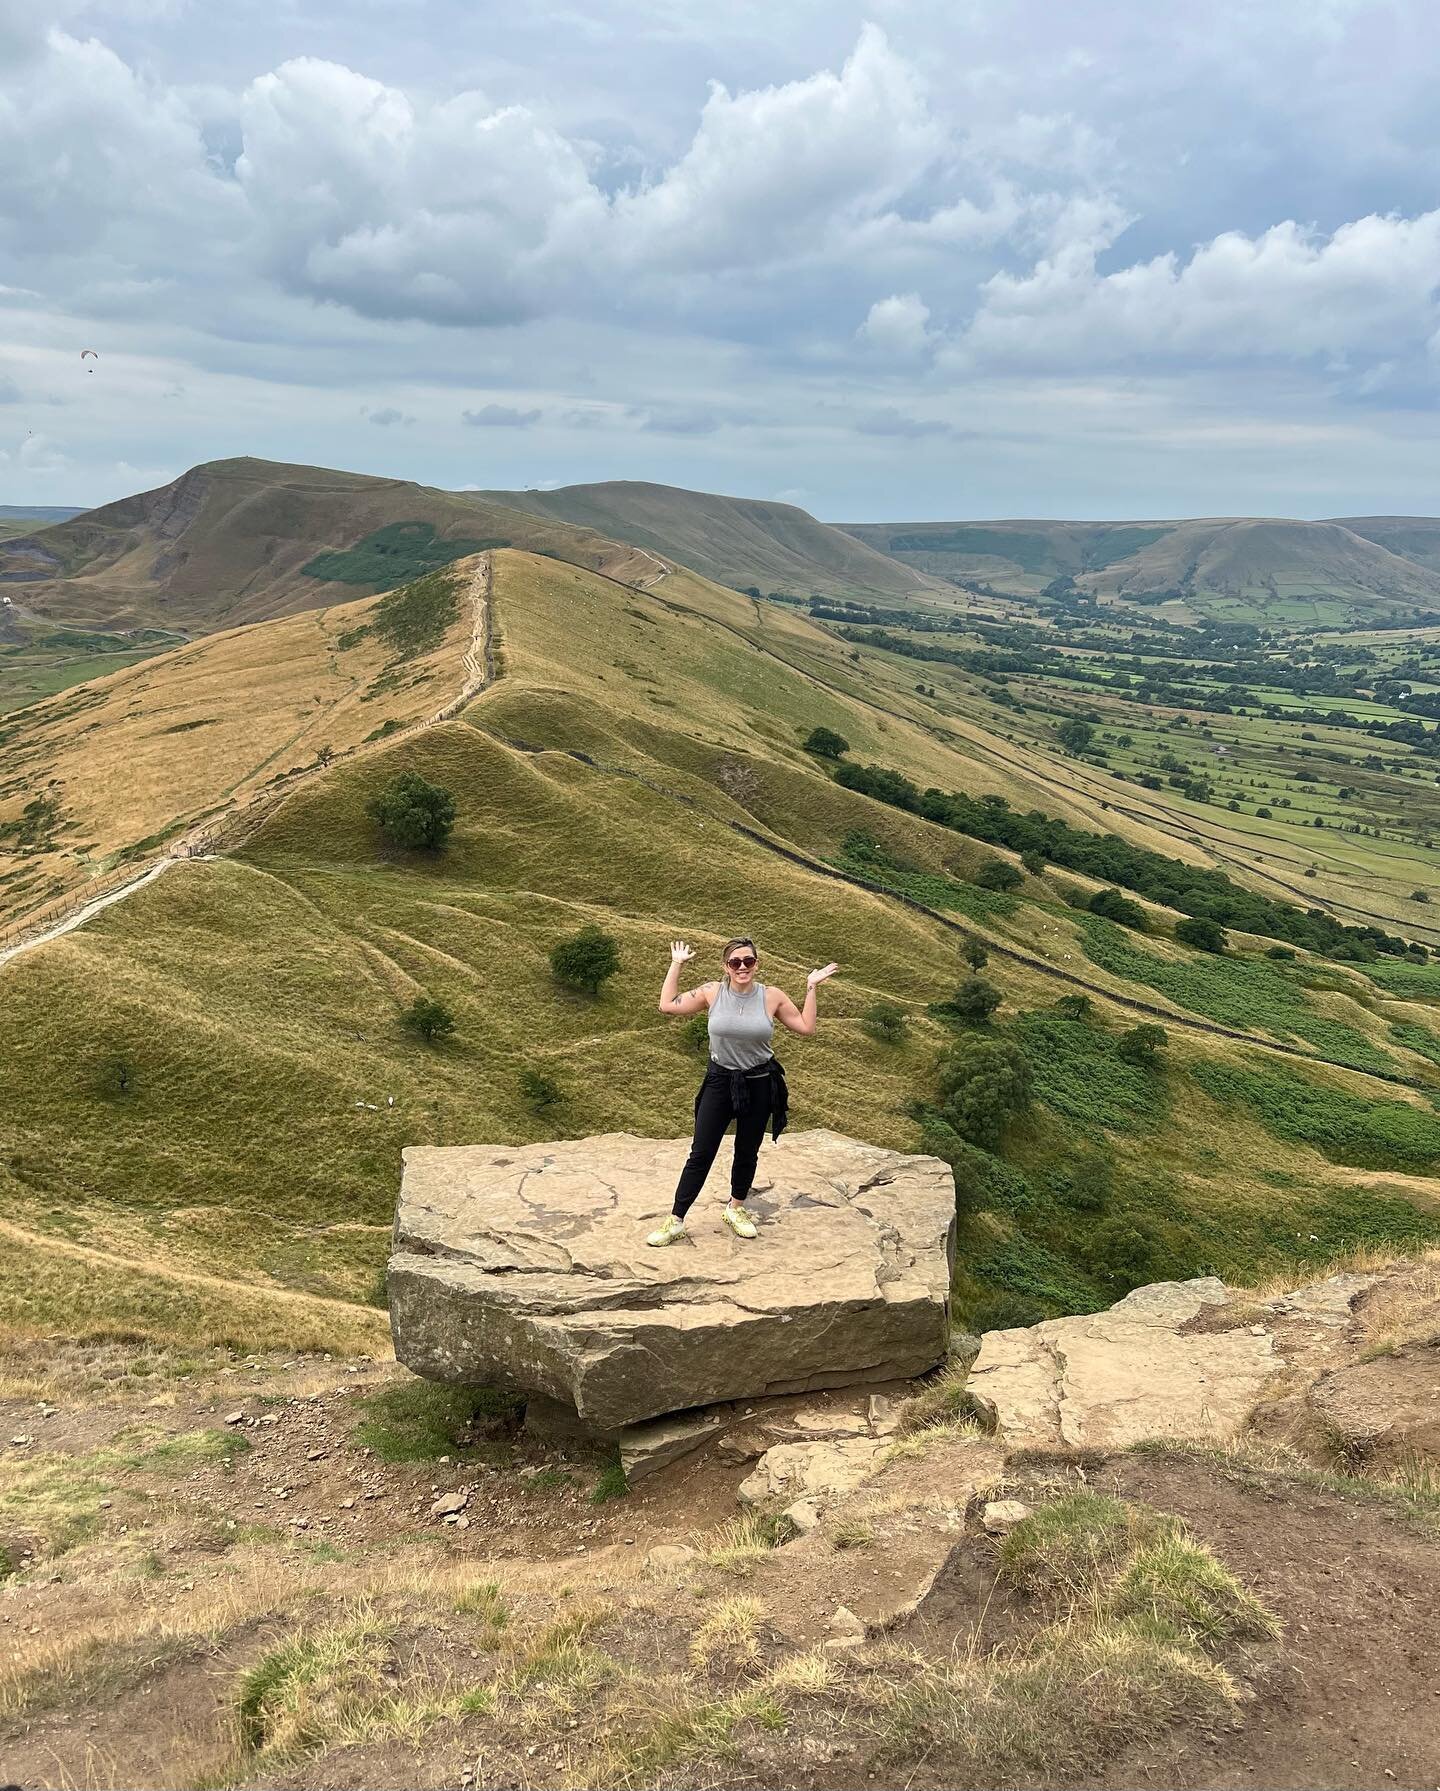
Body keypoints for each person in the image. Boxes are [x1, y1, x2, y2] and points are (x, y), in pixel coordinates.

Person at [647, 934, 838, 1245]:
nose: (742, 966)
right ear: (726, 966)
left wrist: (811, 986)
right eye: (735, 962)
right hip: (719, 1081)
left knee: (747, 1151)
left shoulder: (771, 996)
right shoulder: (712, 992)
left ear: (757, 964)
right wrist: (676, 964)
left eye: (748, 961)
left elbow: (806, 1027)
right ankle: (676, 1219)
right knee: (701, 1152)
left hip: (759, 1082)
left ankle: (736, 1208)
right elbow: (667, 1005)